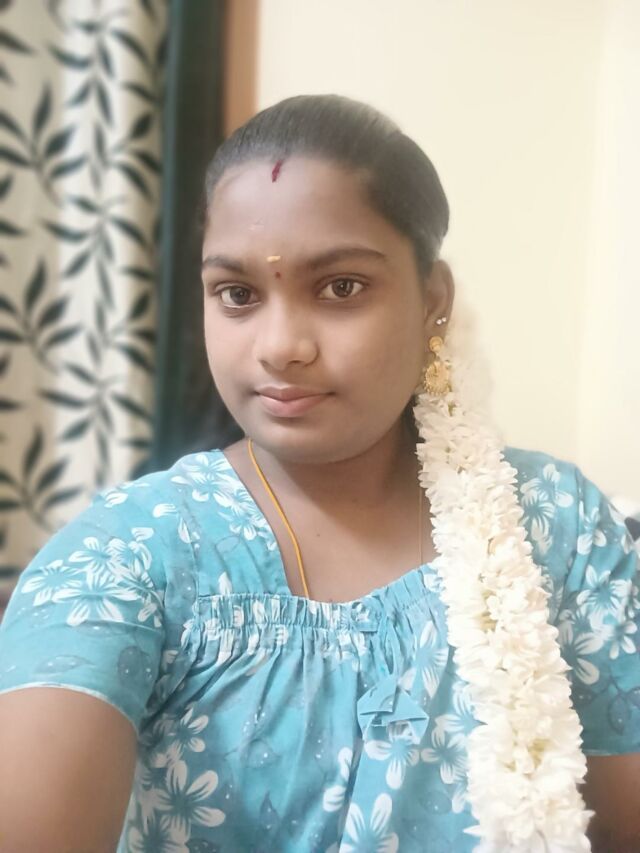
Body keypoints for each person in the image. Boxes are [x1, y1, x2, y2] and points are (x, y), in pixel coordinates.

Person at [0, 94, 638, 853]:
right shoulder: (129, 554)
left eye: (340, 287)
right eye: (237, 294)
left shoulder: (555, 526)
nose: (281, 346)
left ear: (432, 301)